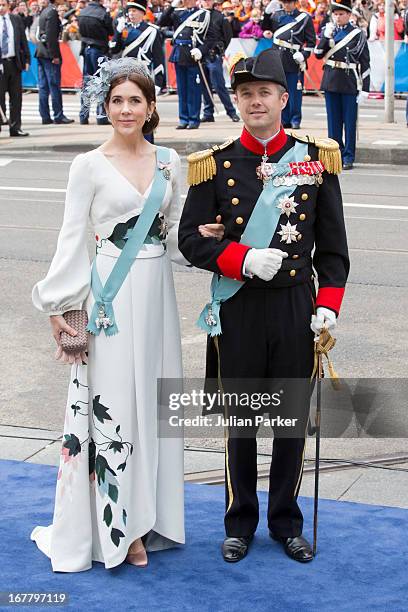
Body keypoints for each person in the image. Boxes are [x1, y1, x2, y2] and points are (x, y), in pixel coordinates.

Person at [30, 57, 225, 572]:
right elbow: (72, 241)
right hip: (109, 302)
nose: (124, 109)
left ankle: (153, 517)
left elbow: (177, 238)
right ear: (105, 105)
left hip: (157, 292)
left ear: (151, 106)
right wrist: (60, 307)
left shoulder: (170, 163)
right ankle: (122, 530)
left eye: (134, 100)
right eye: (116, 100)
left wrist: (208, 241)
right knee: (116, 406)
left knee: (154, 406)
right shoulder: (87, 165)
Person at [178, 49, 349, 564]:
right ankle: (240, 521)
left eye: (264, 93)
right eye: (246, 94)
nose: (255, 102)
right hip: (240, 307)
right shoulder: (216, 163)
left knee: (291, 421)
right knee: (243, 422)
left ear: (283, 97)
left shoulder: (315, 160)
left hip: (296, 307)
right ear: (238, 100)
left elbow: (334, 247)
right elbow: (190, 240)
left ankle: (285, 521)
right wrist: (243, 258)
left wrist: (328, 304)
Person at [314, 0, 370, 170]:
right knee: (333, 122)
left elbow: (365, 63)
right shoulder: (328, 31)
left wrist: (365, 89)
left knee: (349, 122)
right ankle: (335, 155)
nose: (338, 17)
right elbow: (317, 55)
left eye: (341, 14)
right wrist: (325, 37)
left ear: (348, 15)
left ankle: (348, 156)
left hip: (348, 82)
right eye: (335, 14)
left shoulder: (357, 34)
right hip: (331, 81)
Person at [262, 0, 316, 129]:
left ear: (295, 2)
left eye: (289, 2)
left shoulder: (304, 18)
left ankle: (295, 119)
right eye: (284, 2)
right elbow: (266, 28)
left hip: (293, 58)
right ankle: (284, 119)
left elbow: (311, 42)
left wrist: (303, 54)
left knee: (294, 92)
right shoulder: (276, 15)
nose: (287, 4)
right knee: (279, 91)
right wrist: (266, 14)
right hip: (278, 57)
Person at [158, 0, 211, 129]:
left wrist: (201, 50)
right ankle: (183, 119)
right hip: (179, 53)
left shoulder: (203, 15)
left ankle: (193, 119)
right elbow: (162, 22)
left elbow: (211, 38)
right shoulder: (177, 13)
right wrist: (172, 6)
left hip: (193, 53)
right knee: (182, 89)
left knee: (193, 89)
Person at [199, 0, 240, 124]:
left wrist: (219, 50)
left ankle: (231, 112)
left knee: (219, 85)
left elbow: (227, 36)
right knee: (204, 86)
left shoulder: (220, 17)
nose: (206, 2)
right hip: (200, 55)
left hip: (213, 54)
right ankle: (208, 112)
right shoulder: (198, 16)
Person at [112, 0, 165, 93]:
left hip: (142, 73)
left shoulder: (151, 31)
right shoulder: (124, 28)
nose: (130, 14)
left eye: (134, 11)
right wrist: (118, 32)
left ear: (142, 13)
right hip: (125, 73)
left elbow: (158, 57)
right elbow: (114, 50)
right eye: (129, 11)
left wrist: (158, 82)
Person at [35, 0, 74, 124]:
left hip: (41, 52)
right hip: (49, 53)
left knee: (43, 87)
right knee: (54, 86)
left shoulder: (45, 11)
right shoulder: (51, 12)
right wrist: (55, 55)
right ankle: (58, 115)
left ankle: (45, 116)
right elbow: (51, 36)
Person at [78, 0, 114, 125]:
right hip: (99, 49)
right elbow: (111, 31)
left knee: (87, 84)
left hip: (86, 48)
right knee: (102, 83)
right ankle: (101, 115)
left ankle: (83, 115)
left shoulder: (82, 12)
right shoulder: (103, 13)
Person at [0, 0, 30, 137]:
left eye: (3, 5)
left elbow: (23, 40)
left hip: (14, 63)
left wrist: (27, 59)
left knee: (16, 98)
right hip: (0, 64)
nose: (0, 7)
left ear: (7, 6)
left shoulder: (15, 19)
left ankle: (15, 127)